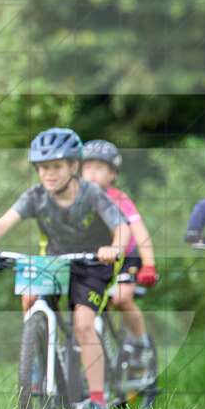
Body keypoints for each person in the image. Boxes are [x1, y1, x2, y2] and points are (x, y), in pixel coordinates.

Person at [0, 127, 131, 409]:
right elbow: (4, 222)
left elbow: (122, 226)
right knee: (29, 296)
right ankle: (35, 355)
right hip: (56, 260)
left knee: (82, 323)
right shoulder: (36, 196)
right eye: (43, 168)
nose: (49, 174)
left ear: (73, 167)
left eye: (56, 166)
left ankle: (96, 403)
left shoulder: (91, 194)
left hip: (93, 263)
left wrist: (115, 247)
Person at [80, 140, 157, 373]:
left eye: (99, 168)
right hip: (92, 258)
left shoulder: (119, 199)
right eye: (87, 167)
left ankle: (140, 342)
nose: (92, 172)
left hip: (126, 257)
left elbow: (140, 232)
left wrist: (149, 265)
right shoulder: (76, 199)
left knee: (122, 298)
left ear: (112, 173)